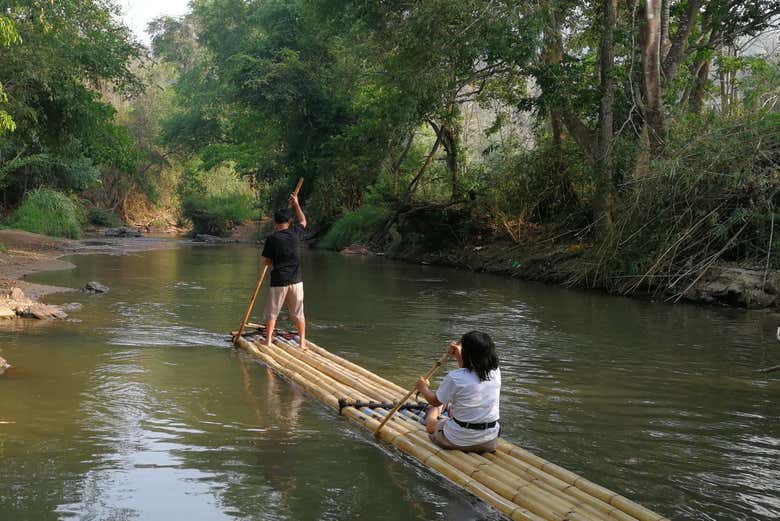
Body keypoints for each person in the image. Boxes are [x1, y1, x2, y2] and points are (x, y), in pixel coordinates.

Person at [415, 331, 501, 453]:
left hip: (457, 440)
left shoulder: (455, 377)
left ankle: (433, 415)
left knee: (434, 414)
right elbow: (468, 375)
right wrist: (458, 354)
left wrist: (423, 387)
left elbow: (434, 401)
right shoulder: (496, 371)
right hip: (489, 441)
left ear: (468, 354)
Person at [262, 192, 307, 349]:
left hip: (279, 281)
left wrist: (270, 260)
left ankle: (267, 342)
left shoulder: (272, 239)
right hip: (296, 281)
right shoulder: (296, 233)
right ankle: (302, 343)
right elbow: (303, 220)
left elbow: (267, 261)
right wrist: (296, 204)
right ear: (289, 221)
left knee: (272, 313)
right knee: (297, 313)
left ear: (275, 222)